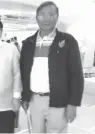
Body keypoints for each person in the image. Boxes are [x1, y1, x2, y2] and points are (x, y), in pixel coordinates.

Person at [20, 1, 84, 133]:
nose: (46, 19)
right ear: (36, 17)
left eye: (51, 15)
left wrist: (73, 103)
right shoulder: (28, 43)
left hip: (58, 102)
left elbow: (76, 74)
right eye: (42, 15)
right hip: (35, 100)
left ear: (57, 17)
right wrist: (24, 97)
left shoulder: (68, 41)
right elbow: (24, 72)